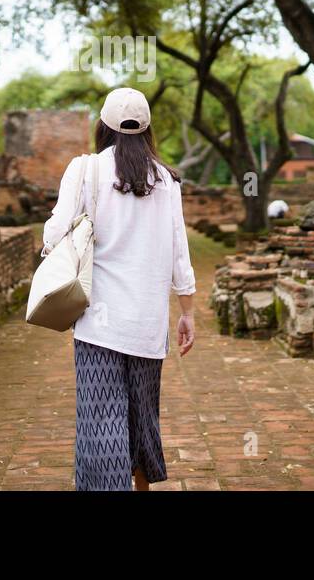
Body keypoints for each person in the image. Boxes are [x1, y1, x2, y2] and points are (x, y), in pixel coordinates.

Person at [40, 86, 196, 491]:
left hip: (99, 323)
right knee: (143, 418)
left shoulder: (86, 169)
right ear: (147, 130)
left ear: (103, 127)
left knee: (102, 422)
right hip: (147, 325)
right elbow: (180, 251)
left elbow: (56, 231)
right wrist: (188, 312)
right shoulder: (167, 180)